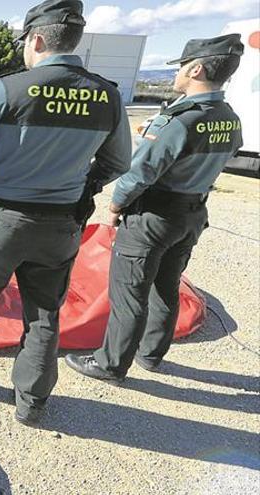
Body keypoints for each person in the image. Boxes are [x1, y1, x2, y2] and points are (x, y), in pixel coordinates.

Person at [0, 0, 132, 427]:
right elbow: (118, 163)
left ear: (36, 39)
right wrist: (85, 186)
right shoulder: (108, 95)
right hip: (61, 226)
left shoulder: (11, 89)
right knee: (44, 313)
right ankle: (32, 403)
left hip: (2, 223)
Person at [66, 34, 244, 382]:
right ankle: (151, 354)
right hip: (192, 213)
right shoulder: (229, 118)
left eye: (179, 67)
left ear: (196, 68)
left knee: (129, 292)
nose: (176, 75)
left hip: (153, 216)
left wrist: (116, 206)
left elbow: (140, 172)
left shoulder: (178, 121)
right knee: (167, 285)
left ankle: (110, 363)